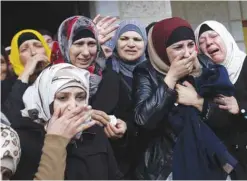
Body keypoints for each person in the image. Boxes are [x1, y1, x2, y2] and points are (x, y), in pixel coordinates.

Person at [132, 17, 237, 180]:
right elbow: (143, 120)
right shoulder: (146, 72)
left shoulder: (205, 65)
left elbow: (225, 119)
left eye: (190, 45)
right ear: (161, 50)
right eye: (178, 47)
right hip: (168, 166)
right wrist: (171, 79)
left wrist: (198, 102)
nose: (187, 53)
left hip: (209, 160)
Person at [11, 63, 122, 180]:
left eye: (80, 97)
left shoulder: (93, 132)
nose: (73, 106)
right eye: (62, 98)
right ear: (44, 100)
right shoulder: (22, 140)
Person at [194, 20, 247, 180]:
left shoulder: (244, 65)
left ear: (225, 37)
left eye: (213, 36)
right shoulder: (205, 78)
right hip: (229, 164)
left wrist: (241, 108)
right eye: (201, 41)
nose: (209, 42)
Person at [106, 19, 147, 178]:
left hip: (150, 155)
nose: (131, 44)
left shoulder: (154, 72)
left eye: (137, 39)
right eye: (124, 39)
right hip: (119, 159)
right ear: (116, 42)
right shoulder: (106, 70)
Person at [2, 29, 51, 123]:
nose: (33, 52)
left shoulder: (61, 75)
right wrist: (26, 73)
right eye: (24, 49)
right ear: (17, 58)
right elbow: (9, 118)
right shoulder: (6, 86)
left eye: (38, 46)